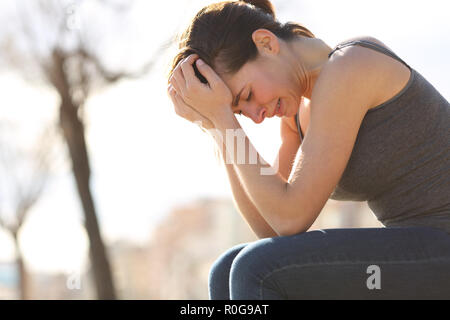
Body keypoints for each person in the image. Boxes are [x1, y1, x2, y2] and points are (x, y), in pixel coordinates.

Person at [166, 0, 450, 299]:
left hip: (441, 243)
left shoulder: (352, 65)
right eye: (239, 111)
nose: (255, 116)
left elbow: (291, 218)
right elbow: (272, 228)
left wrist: (225, 121)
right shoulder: (296, 115)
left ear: (266, 43)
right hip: (418, 249)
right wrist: (215, 125)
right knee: (227, 267)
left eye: (247, 95)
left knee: (257, 267)